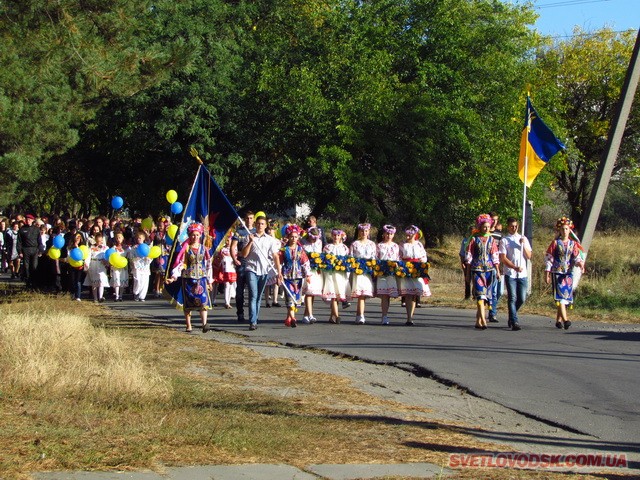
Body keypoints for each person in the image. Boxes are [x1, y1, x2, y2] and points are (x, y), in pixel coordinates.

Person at [166, 222, 214, 333]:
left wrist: (209, 281)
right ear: (189, 235)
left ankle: (204, 324)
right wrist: (173, 277)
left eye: (197, 235)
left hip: (201, 278)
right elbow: (181, 263)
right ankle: (189, 325)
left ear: (200, 235)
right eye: (193, 234)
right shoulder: (186, 249)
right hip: (188, 279)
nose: (195, 237)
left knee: (203, 301)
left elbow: (208, 265)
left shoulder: (204, 249)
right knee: (188, 303)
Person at [241, 215, 283, 330]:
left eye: (262, 224)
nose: (260, 226)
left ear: (265, 226)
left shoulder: (270, 240)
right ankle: (252, 321)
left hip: (264, 270)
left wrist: (279, 272)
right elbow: (244, 254)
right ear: (255, 224)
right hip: (251, 269)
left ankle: (256, 317)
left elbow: (275, 256)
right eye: (258, 223)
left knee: (259, 296)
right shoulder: (249, 237)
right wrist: (250, 242)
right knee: (253, 295)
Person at [544, 216, 585, 330]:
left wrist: (580, 264)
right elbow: (549, 258)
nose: (564, 231)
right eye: (562, 229)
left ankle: (558, 320)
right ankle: (566, 320)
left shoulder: (573, 244)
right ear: (559, 230)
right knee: (560, 297)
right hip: (557, 272)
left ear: (569, 230)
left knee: (565, 296)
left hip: (568, 273)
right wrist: (547, 273)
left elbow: (576, 257)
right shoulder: (555, 243)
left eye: (566, 229)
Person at [465, 214, 500, 330]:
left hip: (489, 270)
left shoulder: (492, 239)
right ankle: (484, 320)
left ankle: (478, 320)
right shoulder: (474, 239)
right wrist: (467, 273)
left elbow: (495, 256)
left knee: (485, 297)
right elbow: (469, 256)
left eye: (488, 227)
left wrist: (498, 270)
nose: (486, 229)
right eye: (484, 227)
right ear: (480, 226)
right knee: (480, 295)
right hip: (477, 270)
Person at [499, 217, 532, 331]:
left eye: (516, 226)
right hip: (510, 273)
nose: (514, 228)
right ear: (508, 227)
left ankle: (512, 316)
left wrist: (521, 246)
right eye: (512, 226)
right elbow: (503, 258)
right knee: (512, 298)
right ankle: (515, 321)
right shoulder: (504, 240)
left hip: (522, 274)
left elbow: (529, 256)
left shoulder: (523, 239)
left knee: (521, 298)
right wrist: (514, 267)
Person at [279, 224, 311, 327]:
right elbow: (279, 263)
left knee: (295, 297)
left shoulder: (300, 250)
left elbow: (305, 262)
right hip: (287, 276)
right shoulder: (284, 250)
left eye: (295, 237)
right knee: (289, 297)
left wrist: (308, 275)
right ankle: (293, 318)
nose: (293, 239)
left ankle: (289, 317)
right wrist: (278, 274)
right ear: (288, 237)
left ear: (298, 237)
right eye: (291, 236)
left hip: (298, 276)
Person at [399, 225, 428, 326]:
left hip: (416, 269)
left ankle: (411, 316)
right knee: (408, 294)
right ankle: (408, 317)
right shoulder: (402, 244)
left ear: (415, 235)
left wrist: (421, 263)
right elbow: (399, 257)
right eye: (407, 234)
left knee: (415, 294)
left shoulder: (419, 245)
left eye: (411, 234)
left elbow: (423, 257)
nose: (408, 236)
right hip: (406, 269)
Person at [349, 223, 376, 324]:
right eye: (362, 231)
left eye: (366, 231)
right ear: (359, 232)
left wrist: (371, 265)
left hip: (367, 271)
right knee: (360, 293)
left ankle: (359, 314)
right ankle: (361, 315)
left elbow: (374, 257)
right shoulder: (355, 244)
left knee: (364, 294)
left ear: (368, 232)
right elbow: (351, 256)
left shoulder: (372, 244)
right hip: (358, 270)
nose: (364, 233)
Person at [231, 211, 255, 322]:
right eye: (247, 218)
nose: (249, 220)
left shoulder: (256, 232)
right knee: (240, 290)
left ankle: (253, 314)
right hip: (242, 262)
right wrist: (234, 258)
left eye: (251, 218)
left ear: (254, 219)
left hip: (253, 263)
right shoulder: (239, 232)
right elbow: (233, 246)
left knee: (252, 290)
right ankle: (240, 313)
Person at [322, 229, 350, 323]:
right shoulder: (327, 247)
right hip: (330, 273)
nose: (336, 237)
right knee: (333, 294)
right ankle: (337, 316)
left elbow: (347, 260)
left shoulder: (344, 248)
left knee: (338, 294)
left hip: (340, 273)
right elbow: (324, 259)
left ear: (341, 236)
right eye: (334, 235)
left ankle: (332, 316)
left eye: (338, 236)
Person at [375, 225, 400, 325]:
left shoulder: (395, 246)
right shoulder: (379, 246)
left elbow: (398, 258)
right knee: (384, 294)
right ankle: (384, 316)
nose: (389, 235)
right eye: (387, 233)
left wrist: (396, 266)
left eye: (391, 234)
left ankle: (386, 314)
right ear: (384, 234)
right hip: (382, 271)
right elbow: (376, 258)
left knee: (389, 294)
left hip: (392, 272)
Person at [301, 226, 323, 324]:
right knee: (309, 292)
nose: (314, 240)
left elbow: (320, 255)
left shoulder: (319, 243)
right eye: (312, 238)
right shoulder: (303, 242)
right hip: (306, 269)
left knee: (312, 293)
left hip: (315, 269)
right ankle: (310, 314)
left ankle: (306, 315)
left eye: (316, 238)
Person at [17, 214, 44, 287]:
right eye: (26, 219)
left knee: (34, 266)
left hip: (34, 249)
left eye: (29, 219)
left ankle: (34, 281)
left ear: (32, 220)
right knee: (26, 267)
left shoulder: (36, 229)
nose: (28, 221)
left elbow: (39, 241)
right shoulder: (22, 229)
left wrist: (40, 250)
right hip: (26, 249)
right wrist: (19, 251)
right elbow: (19, 242)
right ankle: (28, 281)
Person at [212, 235, 237, 309]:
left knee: (230, 284)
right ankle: (224, 302)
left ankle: (228, 301)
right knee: (226, 284)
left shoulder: (234, 248)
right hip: (223, 269)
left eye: (228, 240)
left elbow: (236, 257)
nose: (227, 242)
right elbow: (218, 258)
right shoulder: (222, 249)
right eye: (226, 240)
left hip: (232, 269)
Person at [84, 232, 110, 302]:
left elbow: (108, 255)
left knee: (101, 280)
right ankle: (95, 298)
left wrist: (107, 262)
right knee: (94, 283)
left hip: (101, 264)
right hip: (93, 264)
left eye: (101, 241)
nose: (99, 242)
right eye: (98, 241)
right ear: (95, 240)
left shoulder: (105, 248)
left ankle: (101, 297)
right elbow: (88, 256)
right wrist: (86, 264)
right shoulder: (91, 248)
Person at [128, 231, 153, 302]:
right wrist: (134, 260)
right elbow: (131, 257)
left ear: (143, 238)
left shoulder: (147, 247)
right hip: (137, 266)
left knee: (144, 281)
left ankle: (142, 296)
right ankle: (136, 293)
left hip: (145, 266)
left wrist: (148, 258)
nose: (139, 239)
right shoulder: (134, 248)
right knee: (137, 280)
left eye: (140, 238)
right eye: (137, 238)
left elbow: (151, 256)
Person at [488, 211, 503, 323]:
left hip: (498, 265)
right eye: (492, 219)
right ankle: (492, 313)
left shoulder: (499, 234)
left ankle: (491, 306)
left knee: (499, 292)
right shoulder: (485, 233)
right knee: (492, 291)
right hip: (488, 265)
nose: (494, 221)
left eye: (496, 219)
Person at [109, 231, 129, 302]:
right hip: (116, 266)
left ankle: (121, 296)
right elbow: (111, 256)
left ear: (123, 238)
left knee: (122, 280)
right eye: (117, 238)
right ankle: (116, 296)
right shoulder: (113, 248)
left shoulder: (126, 248)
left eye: (120, 237)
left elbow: (129, 255)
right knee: (116, 279)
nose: (118, 239)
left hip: (123, 266)